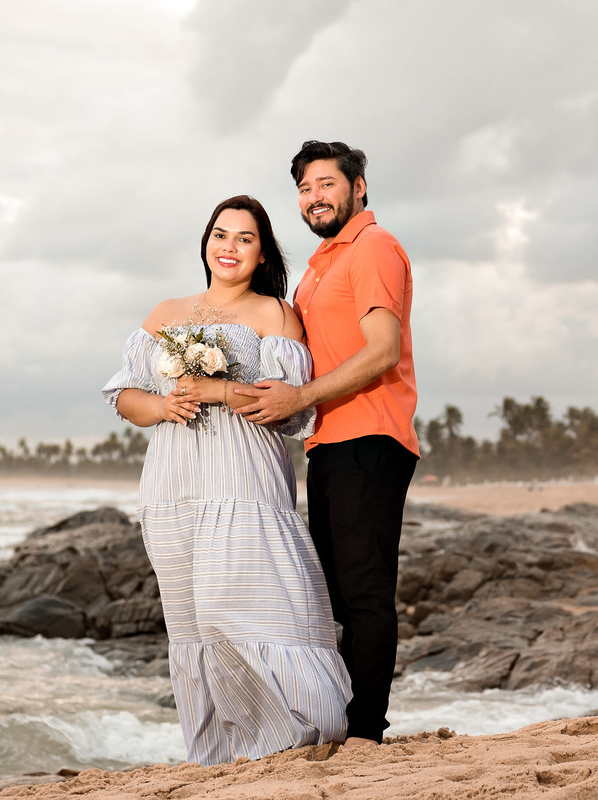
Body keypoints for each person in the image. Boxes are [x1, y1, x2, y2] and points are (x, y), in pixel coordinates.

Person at [100, 195, 350, 765]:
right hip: (172, 485)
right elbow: (123, 396)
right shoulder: (166, 312)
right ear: (206, 243)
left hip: (244, 482)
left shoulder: (275, 314)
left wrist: (216, 390)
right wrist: (165, 406)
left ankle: (294, 734)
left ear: (262, 254)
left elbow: (286, 407)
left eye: (245, 238)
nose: (229, 247)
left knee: (249, 605)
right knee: (194, 622)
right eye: (221, 235)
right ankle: (220, 753)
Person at [232, 141, 419, 748]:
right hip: (330, 440)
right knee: (330, 590)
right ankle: (340, 721)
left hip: (372, 432)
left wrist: (300, 397)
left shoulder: (373, 248)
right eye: (305, 189)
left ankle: (366, 735)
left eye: (327, 184)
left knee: (363, 590)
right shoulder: (320, 265)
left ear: (358, 186)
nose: (315, 197)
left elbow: (383, 351)